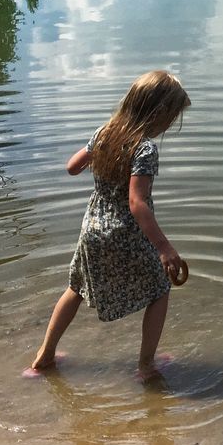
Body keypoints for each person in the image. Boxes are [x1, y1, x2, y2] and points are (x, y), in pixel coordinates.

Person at [28, 70, 191, 380]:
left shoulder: (103, 133)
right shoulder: (144, 149)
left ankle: (44, 356)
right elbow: (136, 202)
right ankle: (146, 366)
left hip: (92, 229)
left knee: (76, 288)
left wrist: (101, 157)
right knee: (160, 289)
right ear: (157, 113)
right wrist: (165, 248)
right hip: (125, 232)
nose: (169, 126)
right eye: (170, 118)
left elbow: (72, 167)